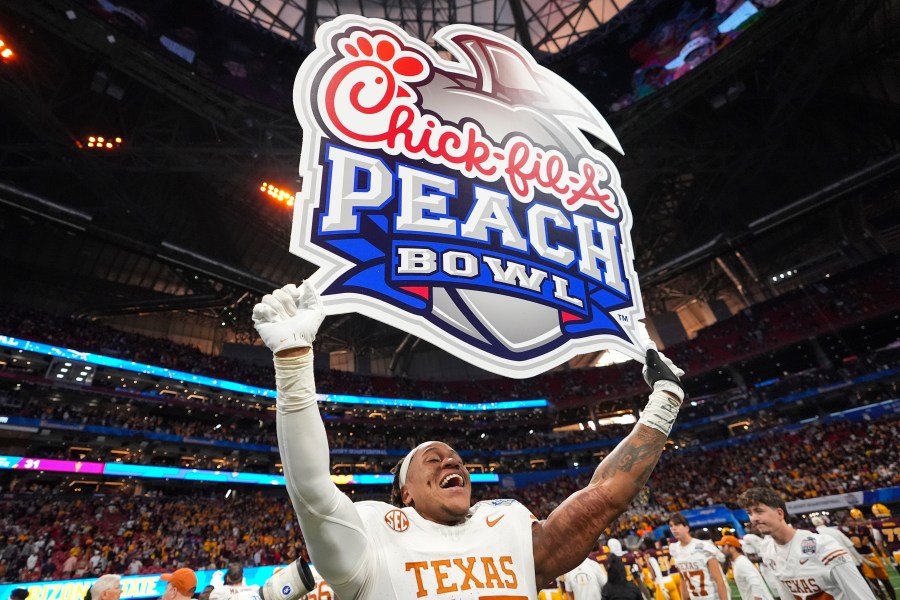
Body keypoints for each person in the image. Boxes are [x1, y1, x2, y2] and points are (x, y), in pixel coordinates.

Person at [251, 282, 688, 600]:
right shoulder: (370, 544)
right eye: (433, 459)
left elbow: (604, 497)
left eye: (456, 459)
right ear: (405, 493)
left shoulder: (509, 527)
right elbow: (311, 489)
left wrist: (665, 401)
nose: (450, 463)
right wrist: (292, 361)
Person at [737, 487, 876, 599]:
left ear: (780, 513)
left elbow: (862, 596)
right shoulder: (768, 551)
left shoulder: (822, 546)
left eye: (759, 511)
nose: (754, 518)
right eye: (750, 513)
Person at [667, 513, 728, 600]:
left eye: (677, 524)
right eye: (671, 525)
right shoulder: (674, 549)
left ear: (686, 528)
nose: (673, 528)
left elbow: (719, 581)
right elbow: (683, 579)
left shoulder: (703, 547)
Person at [842, 508, 896, 600]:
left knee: (886, 580)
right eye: (847, 521)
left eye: (851, 520)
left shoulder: (864, 529)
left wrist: (881, 556)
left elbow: (873, 543)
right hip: (862, 559)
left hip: (872, 555)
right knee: (875, 584)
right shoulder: (845, 533)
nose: (850, 523)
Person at [714, 536, 772, 600]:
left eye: (723, 546)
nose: (721, 550)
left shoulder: (741, 563)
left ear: (732, 548)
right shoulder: (739, 562)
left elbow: (755, 582)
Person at [869, 504, 900, 575]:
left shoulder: (876, 524)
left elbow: (878, 543)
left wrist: (886, 555)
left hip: (895, 553)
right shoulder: (898, 520)